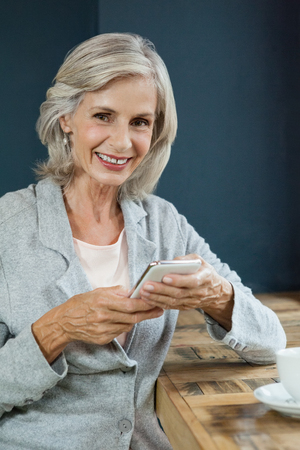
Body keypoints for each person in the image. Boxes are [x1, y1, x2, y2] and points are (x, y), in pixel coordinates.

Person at [0, 33, 286, 450]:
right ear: (66, 118)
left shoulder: (163, 222)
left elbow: (271, 343)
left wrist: (216, 294)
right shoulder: (8, 226)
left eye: (139, 122)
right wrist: (56, 329)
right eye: (103, 115)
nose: (121, 142)